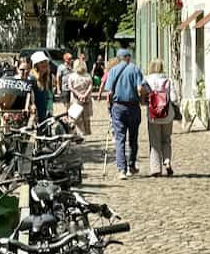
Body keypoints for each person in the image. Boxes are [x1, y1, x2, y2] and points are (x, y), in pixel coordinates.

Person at [103, 48, 144, 178]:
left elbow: (108, 92)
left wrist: (110, 107)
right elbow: (140, 88)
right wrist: (142, 98)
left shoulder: (113, 71)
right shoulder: (135, 69)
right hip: (133, 107)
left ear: (119, 58)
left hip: (118, 107)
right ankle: (131, 165)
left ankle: (121, 170)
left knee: (119, 139)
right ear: (128, 57)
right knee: (133, 138)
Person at [141, 58, 178, 176]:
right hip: (167, 114)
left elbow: (144, 98)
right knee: (166, 139)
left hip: (153, 115)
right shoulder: (167, 80)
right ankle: (167, 161)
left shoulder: (147, 80)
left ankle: (156, 169)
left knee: (155, 142)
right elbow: (174, 98)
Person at [0, 56, 32, 127]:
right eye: (22, 69)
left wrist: (27, 108)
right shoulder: (10, 82)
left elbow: (29, 96)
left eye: (28, 69)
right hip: (8, 115)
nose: (25, 72)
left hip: (23, 116)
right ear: (17, 69)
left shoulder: (29, 82)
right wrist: (3, 111)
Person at [66, 58, 94, 136]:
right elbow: (91, 86)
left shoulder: (72, 76)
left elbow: (70, 87)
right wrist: (85, 95)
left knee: (76, 117)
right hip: (86, 99)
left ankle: (79, 133)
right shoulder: (87, 75)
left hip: (76, 99)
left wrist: (78, 94)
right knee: (86, 116)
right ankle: (86, 132)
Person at [28, 51, 55, 126]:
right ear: (36, 65)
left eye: (45, 62)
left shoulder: (47, 78)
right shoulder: (31, 78)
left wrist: (50, 109)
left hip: (45, 111)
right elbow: (29, 95)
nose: (45, 64)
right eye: (42, 62)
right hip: (35, 113)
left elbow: (49, 96)